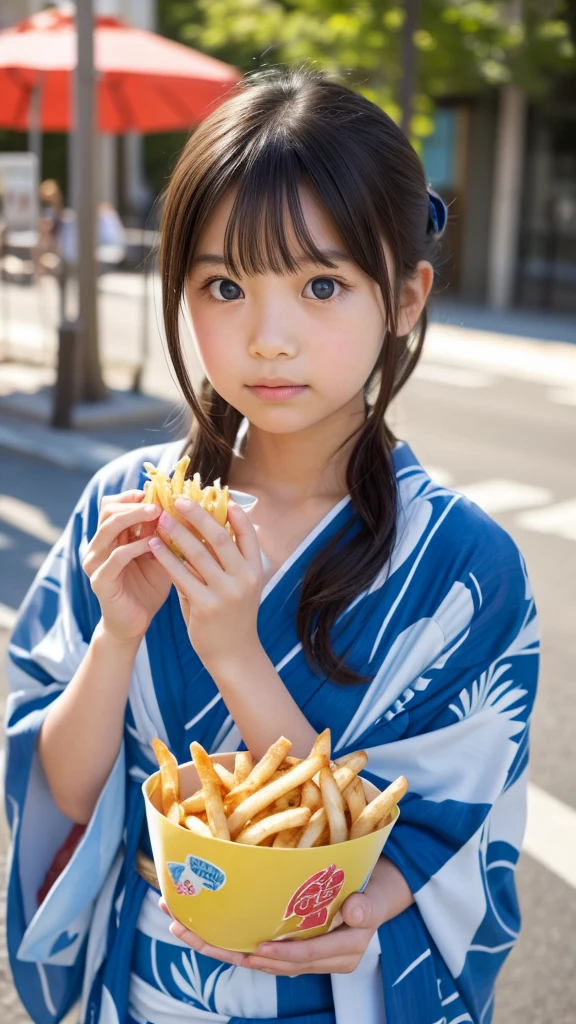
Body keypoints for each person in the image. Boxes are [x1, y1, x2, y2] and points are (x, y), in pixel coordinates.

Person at [4, 67, 538, 1024]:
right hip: (140, 992)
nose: (268, 338)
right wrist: (118, 636)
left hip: (332, 995)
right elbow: (64, 797)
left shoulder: (463, 565)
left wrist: (232, 649)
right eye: (223, 284)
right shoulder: (122, 505)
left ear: (407, 297)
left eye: (322, 283)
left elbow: (424, 839)